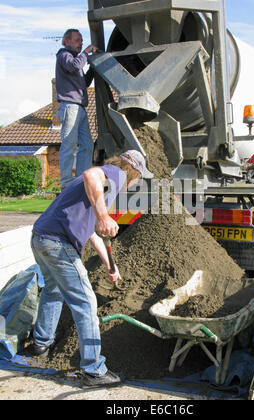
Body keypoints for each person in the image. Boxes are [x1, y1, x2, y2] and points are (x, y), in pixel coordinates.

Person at [29, 150, 146, 388]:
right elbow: (90, 174)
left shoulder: (101, 190)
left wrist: (110, 265)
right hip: (57, 243)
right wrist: (104, 216)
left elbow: (91, 230)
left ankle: (41, 344)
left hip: (41, 237)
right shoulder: (116, 174)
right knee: (85, 302)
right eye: (137, 180)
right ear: (134, 173)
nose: (132, 185)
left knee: (52, 289)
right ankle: (93, 370)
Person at [56, 28, 98, 190]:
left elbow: (84, 83)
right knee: (69, 144)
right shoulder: (64, 55)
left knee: (87, 144)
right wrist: (87, 52)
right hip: (70, 106)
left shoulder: (76, 61)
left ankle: (80, 180)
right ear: (67, 41)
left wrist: (93, 68)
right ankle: (66, 183)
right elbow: (73, 66)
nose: (81, 43)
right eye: (77, 40)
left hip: (79, 108)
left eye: (81, 41)